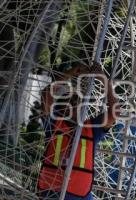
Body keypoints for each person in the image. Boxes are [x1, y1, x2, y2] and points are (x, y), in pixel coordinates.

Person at [37, 63, 118, 200]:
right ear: (61, 107)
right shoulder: (54, 123)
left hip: (80, 194)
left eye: (77, 99)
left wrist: (104, 80)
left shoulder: (91, 128)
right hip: (51, 192)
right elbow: (46, 95)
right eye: (70, 99)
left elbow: (114, 112)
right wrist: (69, 74)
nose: (75, 102)